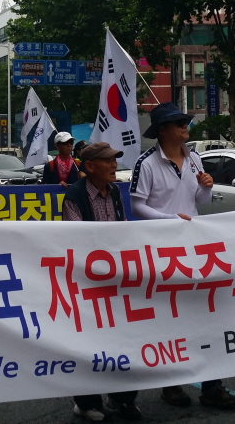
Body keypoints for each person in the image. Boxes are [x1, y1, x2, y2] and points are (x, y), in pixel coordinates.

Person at [129, 102, 235, 409]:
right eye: (178, 123)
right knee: (170, 319)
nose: (185, 126)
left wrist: (206, 186)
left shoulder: (194, 158)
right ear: (162, 130)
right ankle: (171, 385)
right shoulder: (146, 163)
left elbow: (200, 201)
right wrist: (171, 221)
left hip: (194, 248)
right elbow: (137, 205)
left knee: (205, 315)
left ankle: (212, 386)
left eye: (185, 122)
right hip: (162, 251)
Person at [63, 142, 141, 421]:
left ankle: (122, 398)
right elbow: (76, 238)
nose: (113, 165)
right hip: (88, 280)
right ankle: (86, 403)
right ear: (90, 166)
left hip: (117, 278)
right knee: (89, 343)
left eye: (114, 160)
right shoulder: (74, 195)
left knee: (123, 339)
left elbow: (122, 227)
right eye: (107, 161)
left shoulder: (116, 191)